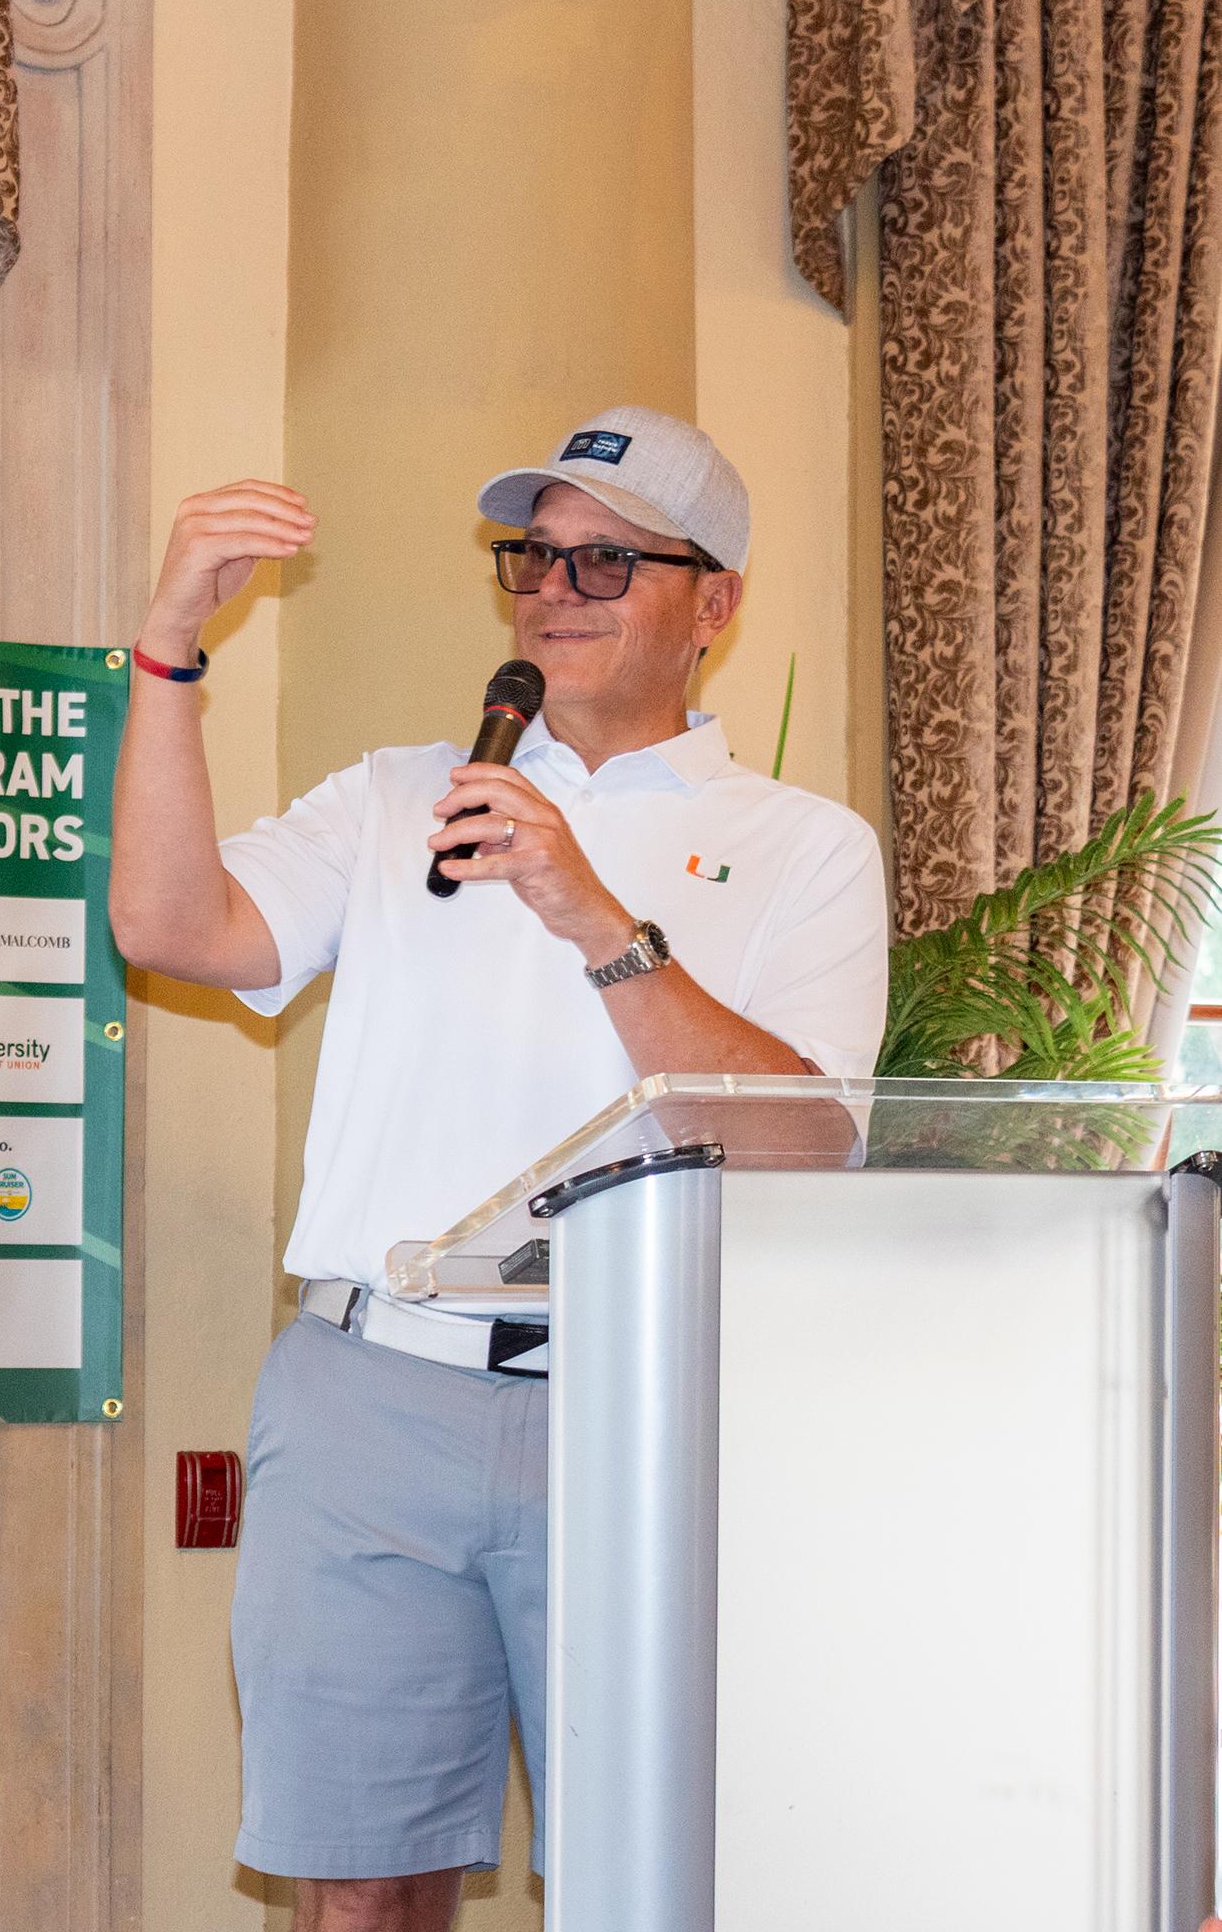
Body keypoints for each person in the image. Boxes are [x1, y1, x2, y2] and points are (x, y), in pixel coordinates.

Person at [110, 407, 891, 1931]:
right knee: (361, 1890)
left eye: (608, 561)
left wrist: (593, 912)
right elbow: (170, 927)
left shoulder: (803, 845)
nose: (554, 589)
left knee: (652, 1883)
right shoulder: (397, 796)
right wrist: (168, 650)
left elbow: (807, 1140)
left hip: (646, 1404)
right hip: (370, 1394)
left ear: (716, 604)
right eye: (533, 555)